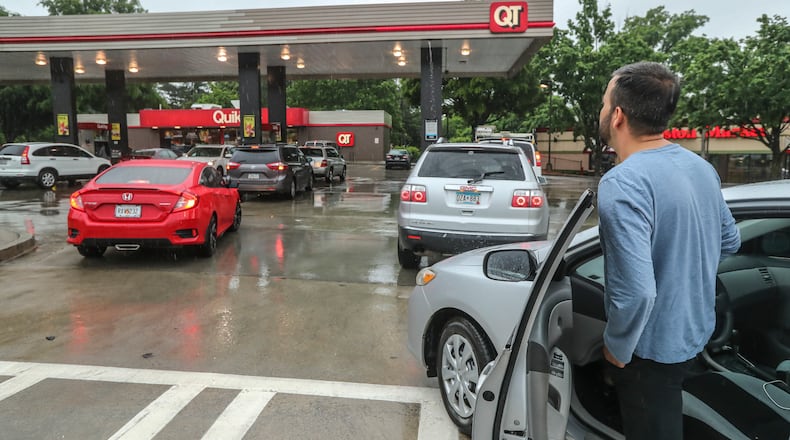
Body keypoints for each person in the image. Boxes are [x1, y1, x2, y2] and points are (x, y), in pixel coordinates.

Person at [596, 61, 741, 439]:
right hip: (697, 332)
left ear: (617, 116)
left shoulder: (622, 183)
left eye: (603, 103)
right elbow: (730, 241)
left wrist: (616, 347)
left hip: (650, 351)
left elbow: (638, 292)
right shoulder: (700, 167)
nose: (602, 111)